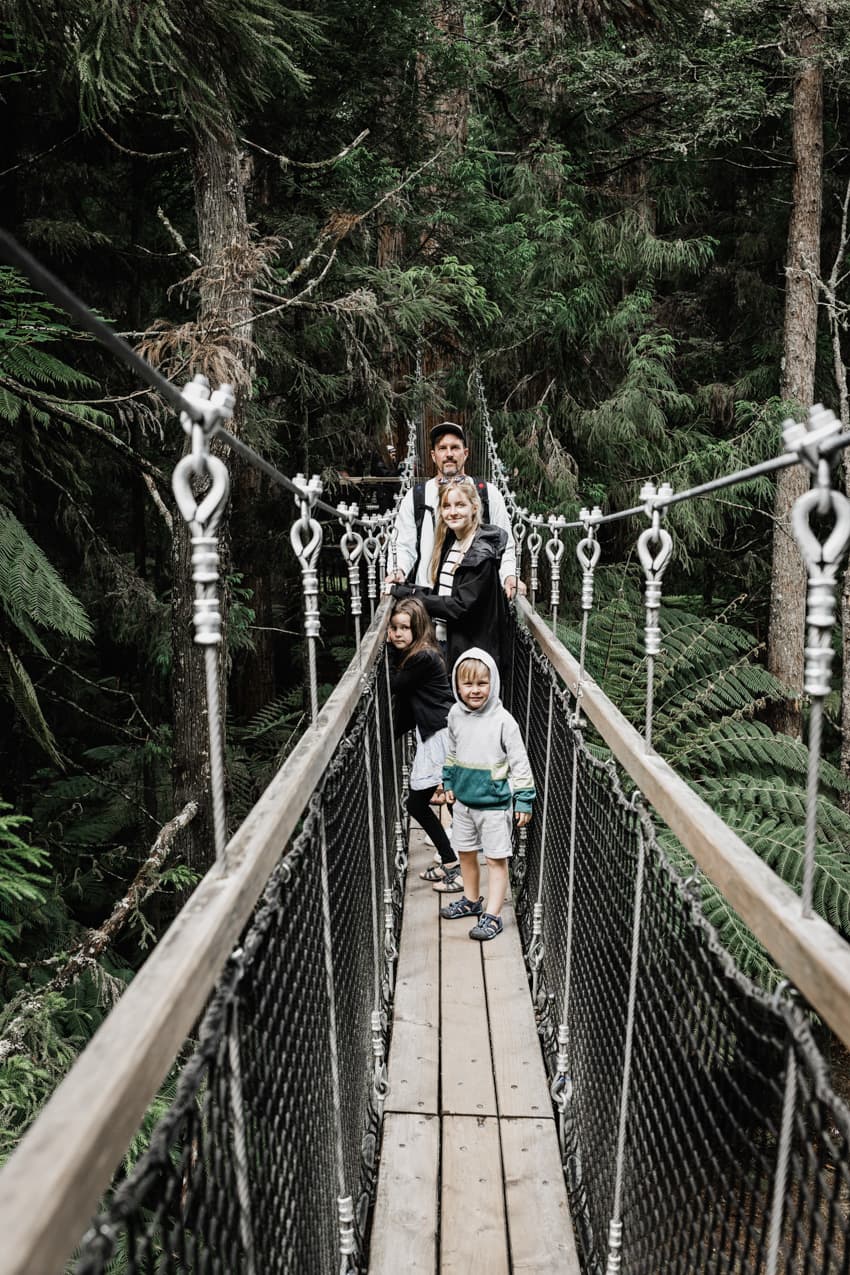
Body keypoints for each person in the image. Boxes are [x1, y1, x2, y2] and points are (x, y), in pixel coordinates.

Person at [438, 648, 535, 941]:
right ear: (457, 686)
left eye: (482, 683)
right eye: (467, 684)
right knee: (465, 853)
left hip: (494, 805)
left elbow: (520, 762)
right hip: (464, 802)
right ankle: (471, 900)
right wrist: (448, 781)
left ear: (493, 683)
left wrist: (524, 798)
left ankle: (492, 915)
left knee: (495, 859)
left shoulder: (504, 721)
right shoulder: (455, 715)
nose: (475, 690)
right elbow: (452, 751)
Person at [385, 421, 520, 598]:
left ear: (466, 453)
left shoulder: (487, 493)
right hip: (427, 599)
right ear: (433, 456)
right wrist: (398, 570)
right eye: (442, 448)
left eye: (455, 447)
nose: (449, 454)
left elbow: (505, 544)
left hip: (476, 599)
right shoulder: (416, 496)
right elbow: (403, 545)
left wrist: (509, 576)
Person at [391, 477, 510, 675]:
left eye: (460, 505)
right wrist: (402, 589)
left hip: (470, 657)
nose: (452, 512)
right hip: (446, 644)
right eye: (446, 506)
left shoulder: (481, 553)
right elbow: (443, 595)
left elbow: (459, 606)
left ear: (474, 507)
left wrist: (412, 596)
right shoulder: (452, 543)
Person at [387, 597, 464, 893]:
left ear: (418, 628)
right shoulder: (424, 652)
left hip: (441, 735)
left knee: (426, 803)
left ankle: (457, 864)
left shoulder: (422, 657)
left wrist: (389, 650)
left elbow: (395, 684)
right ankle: (453, 860)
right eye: (394, 628)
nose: (397, 634)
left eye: (404, 628)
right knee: (448, 802)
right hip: (437, 732)